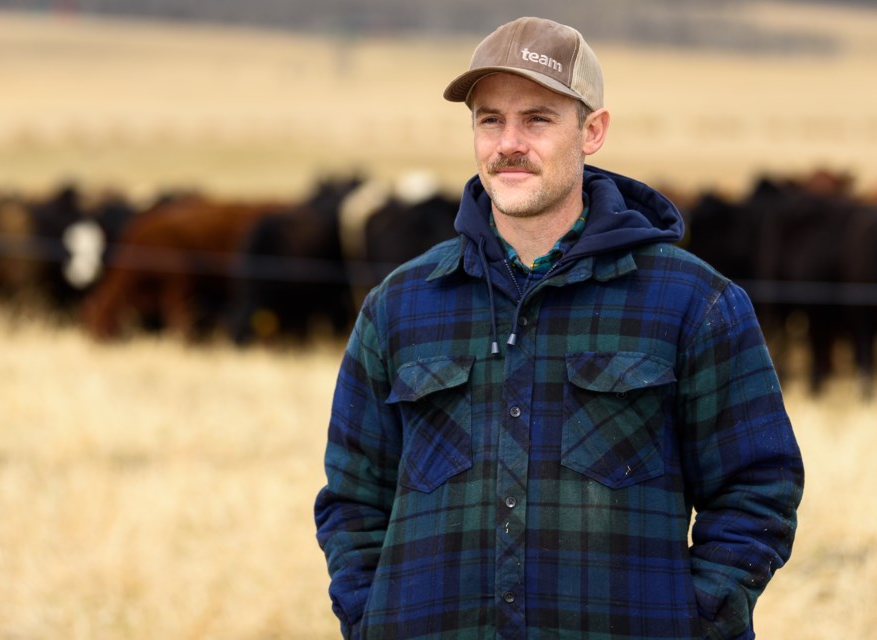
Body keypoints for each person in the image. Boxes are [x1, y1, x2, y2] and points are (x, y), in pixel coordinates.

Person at [315, 16, 803, 640]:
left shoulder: (693, 303)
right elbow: (352, 498)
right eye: (490, 119)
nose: (508, 143)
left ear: (592, 130)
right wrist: (367, 618)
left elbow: (758, 487)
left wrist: (699, 620)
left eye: (537, 119)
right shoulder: (400, 306)